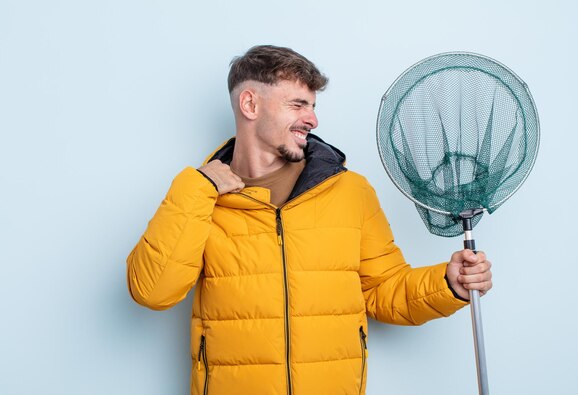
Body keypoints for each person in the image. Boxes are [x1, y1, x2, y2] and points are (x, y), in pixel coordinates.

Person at [126, 45, 492, 395]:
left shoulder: (349, 191)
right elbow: (153, 292)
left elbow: (383, 291)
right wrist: (196, 187)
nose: (313, 119)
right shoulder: (201, 198)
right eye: (298, 104)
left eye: (313, 106)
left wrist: (447, 283)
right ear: (250, 103)